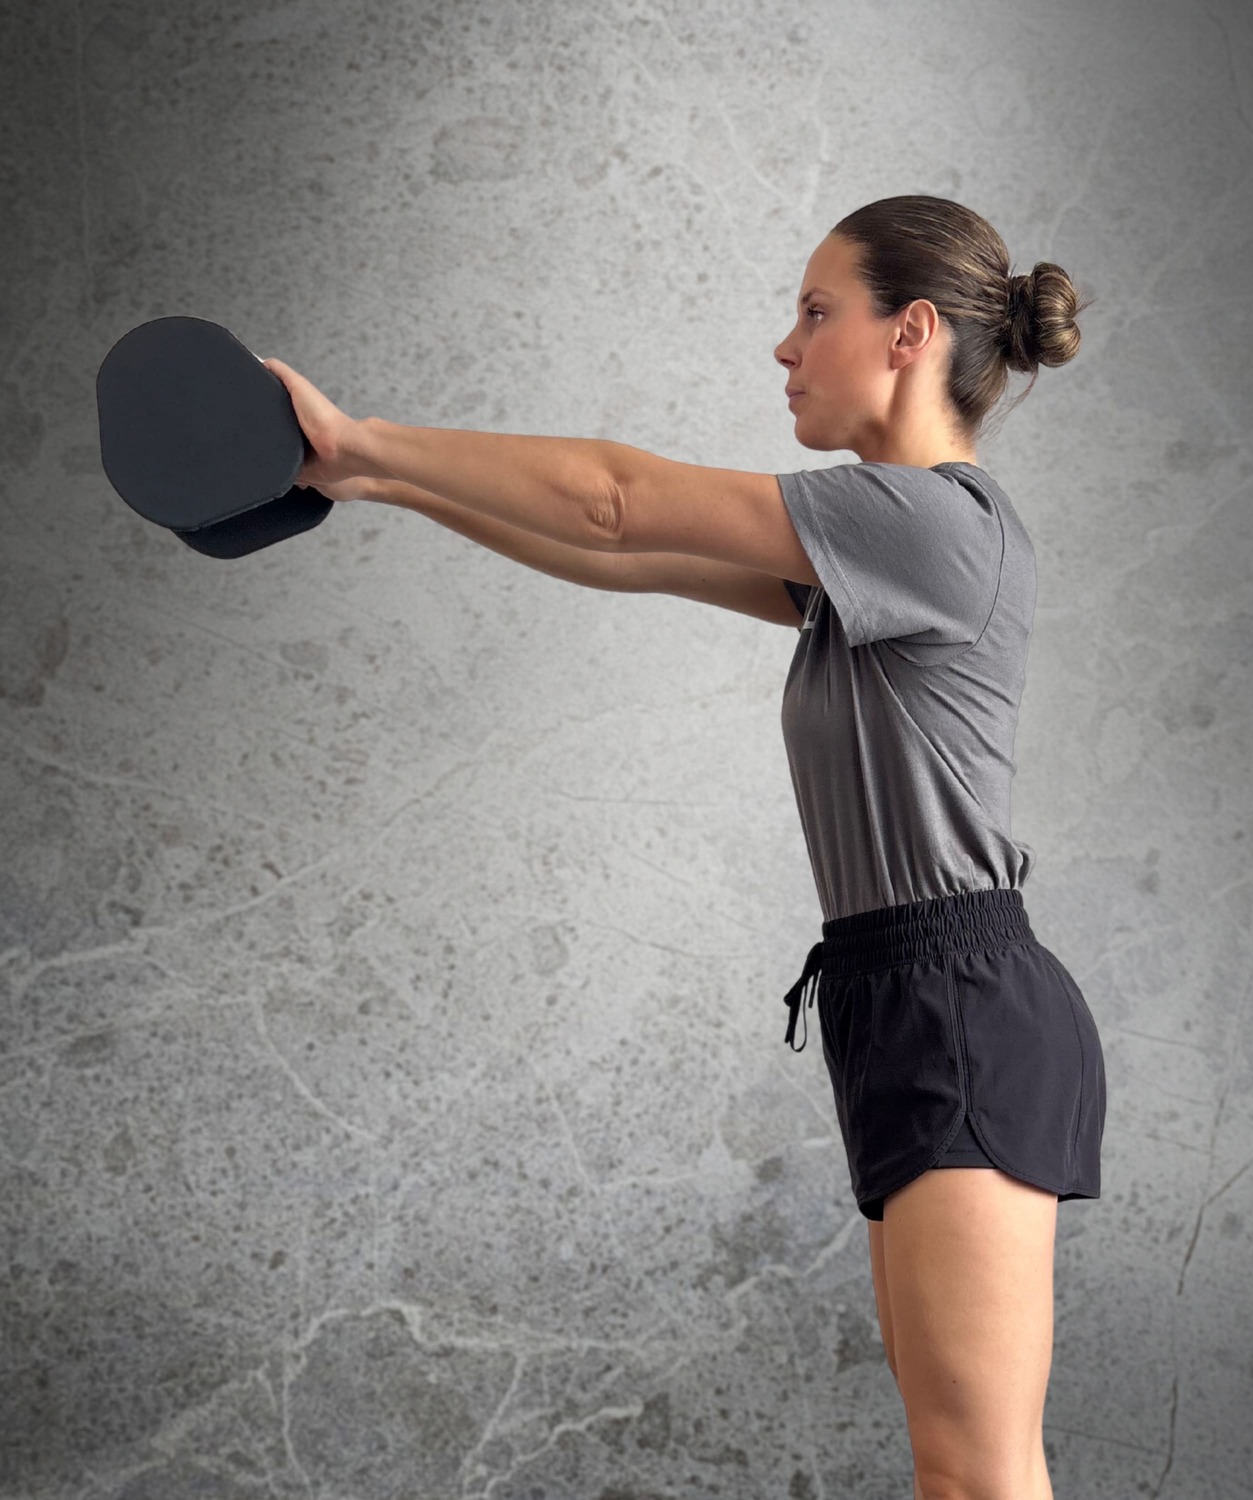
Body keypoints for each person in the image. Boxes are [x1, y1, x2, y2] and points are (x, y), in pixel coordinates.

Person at [264, 193, 1105, 1500]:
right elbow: (625, 555)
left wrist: (369, 432)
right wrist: (379, 481)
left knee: (980, 1474)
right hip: (901, 998)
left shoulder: (935, 526)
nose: (785, 347)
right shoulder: (867, 560)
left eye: (817, 313)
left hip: (961, 1013)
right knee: (953, 1466)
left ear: (912, 333)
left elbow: (615, 498)